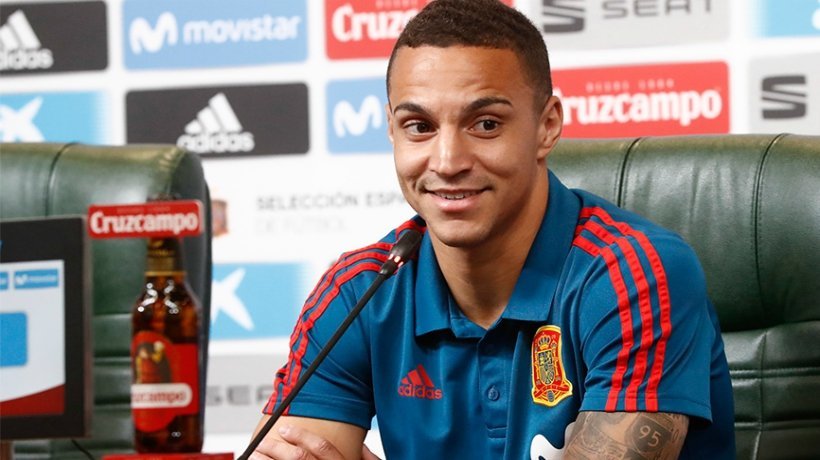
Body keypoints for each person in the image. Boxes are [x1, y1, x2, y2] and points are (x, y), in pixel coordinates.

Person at [250, 0, 735, 458]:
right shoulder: (361, 289)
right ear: (393, 131)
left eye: (485, 124)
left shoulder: (635, 274)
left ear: (546, 126)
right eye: (419, 126)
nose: (447, 162)